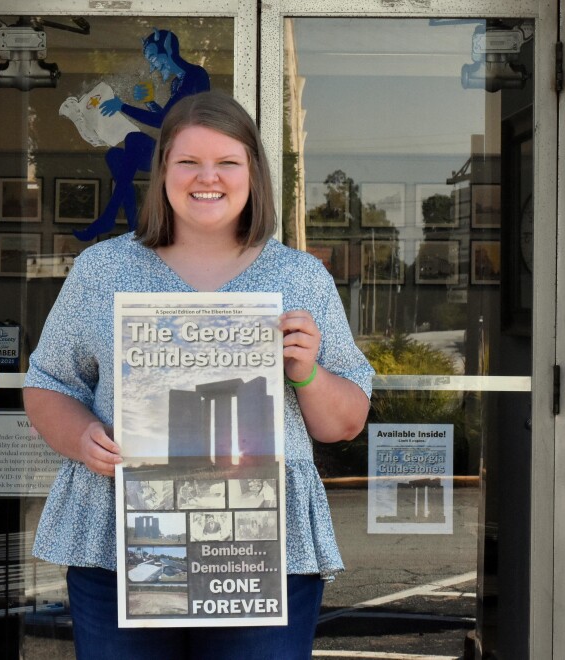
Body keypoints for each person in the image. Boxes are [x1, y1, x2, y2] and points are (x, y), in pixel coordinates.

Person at [23, 89, 374, 659]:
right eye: (188, 161)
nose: (206, 177)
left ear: (253, 174)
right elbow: (48, 384)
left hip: (259, 550)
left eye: (227, 162)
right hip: (122, 539)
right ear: (163, 172)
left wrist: (308, 373)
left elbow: (344, 424)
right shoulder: (104, 269)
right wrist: (79, 436)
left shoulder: (300, 277)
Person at [74, 29, 211, 240]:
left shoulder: (195, 76)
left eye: (154, 58)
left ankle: (108, 218)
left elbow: (163, 121)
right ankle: (133, 226)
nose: (152, 65)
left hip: (188, 157)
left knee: (133, 139)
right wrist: (150, 102)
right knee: (114, 156)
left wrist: (122, 106)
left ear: (168, 51)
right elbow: (169, 120)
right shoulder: (177, 82)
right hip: (172, 153)